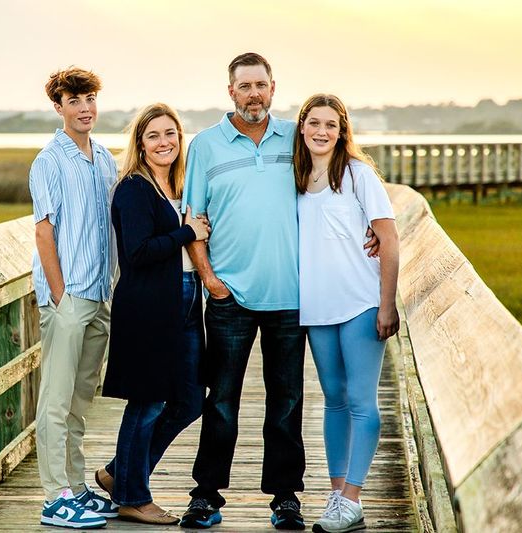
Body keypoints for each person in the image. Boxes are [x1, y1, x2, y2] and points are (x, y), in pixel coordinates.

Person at [180, 52, 379, 531]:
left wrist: (372, 227)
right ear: (231, 91)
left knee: (287, 402)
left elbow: (340, 175)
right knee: (221, 399)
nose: (253, 94)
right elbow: (193, 221)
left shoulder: (295, 136)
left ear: (273, 88)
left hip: (293, 297)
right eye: (244, 86)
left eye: (261, 85)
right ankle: (206, 496)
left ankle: (285, 497)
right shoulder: (206, 145)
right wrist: (209, 279)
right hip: (230, 297)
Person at [97, 103, 210, 525]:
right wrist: (186, 231)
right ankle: (132, 495)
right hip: (147, 305)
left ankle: (117, 473)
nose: (164, 143)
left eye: (171, 134)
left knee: (188, 401)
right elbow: (138, 253)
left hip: (184, 300)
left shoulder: (179, 186)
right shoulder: (133, 189)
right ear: (141, 145)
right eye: (154, 136)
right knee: (146, 401)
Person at [294, 94, 400, 533]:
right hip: (317, 307)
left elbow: (389, 240)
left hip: (360, 302)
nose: (322, 131)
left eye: (331, 126)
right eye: (314, 123)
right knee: (333, 400)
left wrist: (387, 303)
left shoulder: (358, 175)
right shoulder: (295, 176)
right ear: (302, 127)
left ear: (342, 132)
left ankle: (354, 496)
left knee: (360, 400)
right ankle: (338, 496)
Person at [29, 67, 118, 529]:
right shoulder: (50, 160)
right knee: (56, 401)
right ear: (59, 106)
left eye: (90, 99)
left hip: (99, 294)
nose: (85, 108)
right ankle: (53, 497)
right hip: (68, 298)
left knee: (81, 400)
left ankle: (78, 487)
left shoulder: (104, 158)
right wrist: (61, 297)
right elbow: (44, 231)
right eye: (75, 100)